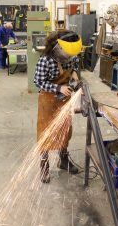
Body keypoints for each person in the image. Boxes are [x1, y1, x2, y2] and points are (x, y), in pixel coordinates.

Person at [34, 30, 82, 183]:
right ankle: (44, 166)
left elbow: (72, 66)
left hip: (64, 100)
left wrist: (74, 73)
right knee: (45, 133)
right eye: (66, 54)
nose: (68, 57)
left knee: (65, 130)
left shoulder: (69, 56)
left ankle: (63, 160)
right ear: (57, 48)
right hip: (48, 100)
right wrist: (58, 88)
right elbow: (38, 82)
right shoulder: (45, 61)